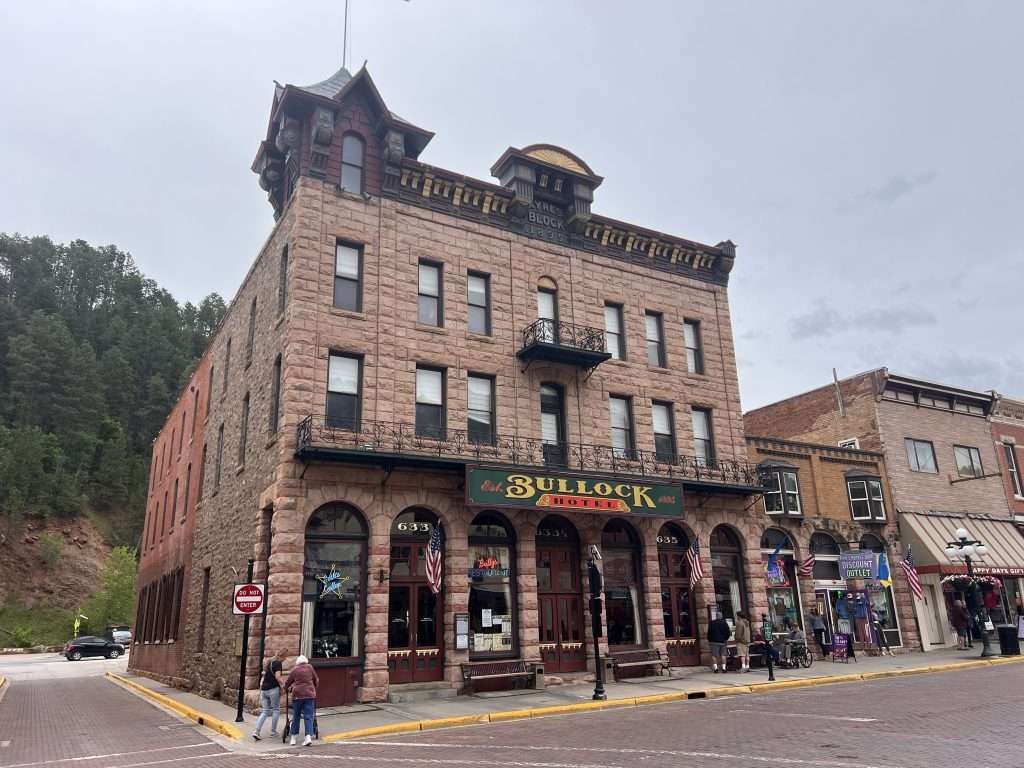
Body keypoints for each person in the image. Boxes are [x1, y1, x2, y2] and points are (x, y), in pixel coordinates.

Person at [285, 654, 319, 747]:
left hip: (297, 695)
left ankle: (293, 738)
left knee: (296, 716)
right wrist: (314, 688)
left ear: (297, 662)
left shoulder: (294, 669)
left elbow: (288, 682)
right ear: (306, 661)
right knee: (308, 716)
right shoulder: (310, 667)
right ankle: (308, 737)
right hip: (309, 695)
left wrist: (285, 688)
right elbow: (316, 679)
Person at [252, 649, 286, 741]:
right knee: (276, 710)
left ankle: (256, 731)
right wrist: (283, 685)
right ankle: (273, 732)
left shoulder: (270, 662)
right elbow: (278, 677)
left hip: (264, 689)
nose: (285, 659)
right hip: (273, 689)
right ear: (283, 656)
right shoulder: (278, 663)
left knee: (265, 711)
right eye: (285, 657)